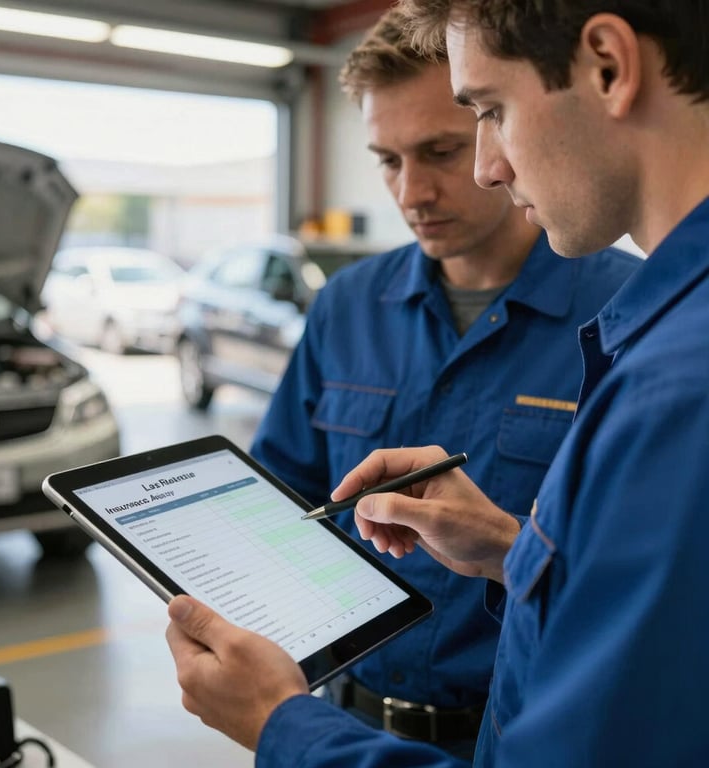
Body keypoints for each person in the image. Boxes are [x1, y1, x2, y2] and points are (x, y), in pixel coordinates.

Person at [166, 1, 709, 765]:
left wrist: (280, 726)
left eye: (483, 116)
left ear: (609, 67)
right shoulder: (349, 306)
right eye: (387, 160)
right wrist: (510, 550)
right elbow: (283, 492)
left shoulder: (659, 361)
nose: (416, 190)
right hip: (358, 710)